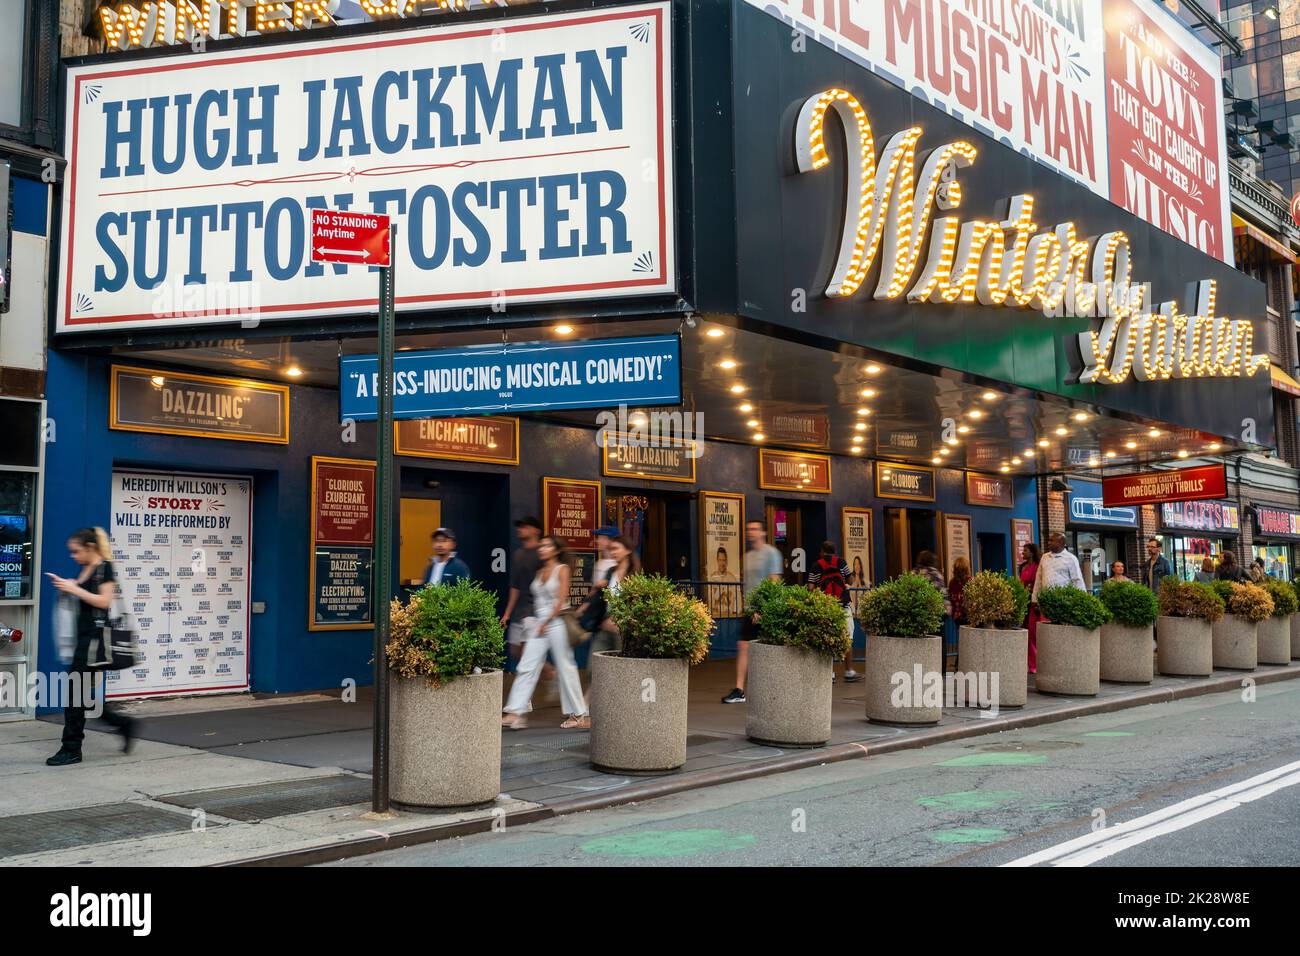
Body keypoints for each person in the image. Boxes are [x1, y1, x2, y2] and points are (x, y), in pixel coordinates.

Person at [44, 527, 136, 766]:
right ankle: (123, 724)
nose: (73, 556)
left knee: (75, 695)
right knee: (81, 695)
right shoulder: (86, 569)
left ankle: (71, 748)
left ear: (90, 547)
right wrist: (68, 586)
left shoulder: (104, 567)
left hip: (94, 641)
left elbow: (104, 602)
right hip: (82, 639)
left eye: (76, 551)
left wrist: (73, 588)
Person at [501, 536, 588, 730]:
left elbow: (561, 599)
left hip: (556, 622)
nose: (542, 548)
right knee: (527, 665)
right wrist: (538, 622)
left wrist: (546, 621)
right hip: (539, 622)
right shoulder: (539, 572)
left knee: (566, 666)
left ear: (556, 550)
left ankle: (578, 714)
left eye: (547, 545)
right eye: (541, 546)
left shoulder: (562, 569)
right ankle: (515, 712)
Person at [721, 519, 784, 704]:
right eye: (749, 529)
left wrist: (763, 608)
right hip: (750, 610)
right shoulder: (747, 556)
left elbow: (774, 583)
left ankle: (774, 689)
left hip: (765, 610)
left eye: (755, 529)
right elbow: (747, 584)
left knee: (769, 650)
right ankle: (739, 689)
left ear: (763, 533)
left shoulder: (772, 554)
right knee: (743, 646)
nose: (751, 532)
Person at [807, 540, 860, 683]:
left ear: (822, 552)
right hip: (843, 605)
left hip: (826, 607)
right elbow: (850, 579)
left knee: (826, 638)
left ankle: (828, 674)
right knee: (847, 638)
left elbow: (811, 588)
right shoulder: (841, 562)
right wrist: (847, 583)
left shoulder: (816, 565)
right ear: (835, 551)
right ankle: (849, 671)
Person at [589, 536, 640, 659]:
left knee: (622, 666)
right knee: (593, 667)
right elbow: (601, 598)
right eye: (611, 549)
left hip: (623, 630)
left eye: (616, 549)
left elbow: (637, 603)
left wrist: (620, 620)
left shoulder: (635, 574)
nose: (613, 552)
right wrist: (596, 589)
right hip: (605, 626)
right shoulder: (610, 572)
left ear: (628, 550)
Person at [576, 526, 619, 633]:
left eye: (602, 538)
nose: (597, 541)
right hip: (598, 618)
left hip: (609, 617)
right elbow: (594, 590)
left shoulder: (617, 565)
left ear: (611, 541)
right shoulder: (598, 563)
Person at [1032, 533, 1086, 601]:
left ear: (1060, 542)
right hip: (1046, 601)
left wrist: (1081, 600)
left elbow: (1077, 581)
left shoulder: (1071, 558)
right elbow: (1038, 579)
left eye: (1051, 540)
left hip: (1064, 601)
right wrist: (1034, 599)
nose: (1048, 543)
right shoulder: (1044, 557)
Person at [1018, 542, 1042, 674]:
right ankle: (1029, 663)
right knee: (1025, 632)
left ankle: (1035, 664)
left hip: (1033, 603)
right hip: (1024, 602)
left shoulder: (1038, 566)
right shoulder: (1022, 567)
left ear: (1032, 552)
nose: (1023, 553)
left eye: (1025, 551)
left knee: (1033, 633)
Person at [946, 556, 972, 671]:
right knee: (965, 640)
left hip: (959, 615)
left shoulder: (953, 582)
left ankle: (959, 663)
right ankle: (962, 663)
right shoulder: (969, 581)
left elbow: (951, 599)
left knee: (962, 640)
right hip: (964, 615)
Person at [706, 545, 741, 618]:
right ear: (717, 560)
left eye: (724, 560)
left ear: (726, 561)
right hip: (715, 617)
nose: (722, 563)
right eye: (720, 560)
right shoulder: (712, 578)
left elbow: (737, 599)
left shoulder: (732, 579)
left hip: (729, 616)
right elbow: (709, 599)